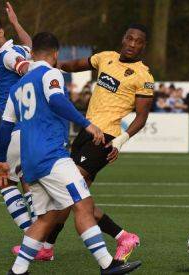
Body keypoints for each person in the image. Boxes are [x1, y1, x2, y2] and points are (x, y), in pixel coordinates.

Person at [0, 31, 141, 275]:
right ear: (56, 55)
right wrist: (87, 124)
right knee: (83, 203)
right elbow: (57, 101)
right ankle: (108, 264)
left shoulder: (17, 87)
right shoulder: (52, 73)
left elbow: (4, 128)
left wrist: (1, 160)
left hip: (29, 164)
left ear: (31, 54)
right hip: (51, 157)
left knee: (45, 218)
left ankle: (18, 271)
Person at [47, 23, 154, 262]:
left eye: (138, 41)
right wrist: (53, 66)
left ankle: (123, 236)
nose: (132, 44)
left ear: (143, 46)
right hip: (87, 131)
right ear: (123, 39)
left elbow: (142, 116)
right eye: (130, 38)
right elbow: (76, 65)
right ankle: (47, 247)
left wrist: (120, 141)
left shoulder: (143, 76)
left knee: (68, 189)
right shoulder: (105, 57)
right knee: (73, 197)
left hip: (104, 138)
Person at [0, 2, 35, 248]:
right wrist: (16, 23)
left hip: (15, 130)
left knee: (5, 182)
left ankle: (34, 238)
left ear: (0, 34)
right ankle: (41, 240)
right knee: (26, 180)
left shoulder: (8, 55)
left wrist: (33, 75)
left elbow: (25, 67)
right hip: (30, 131)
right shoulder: (16, 49)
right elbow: (30, 47)